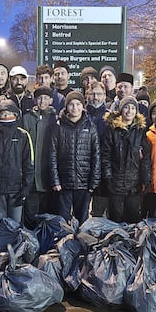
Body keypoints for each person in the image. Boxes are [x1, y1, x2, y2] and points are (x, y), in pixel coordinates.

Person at [0, 99, 34, 225]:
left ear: (16, 115)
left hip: (16, 190)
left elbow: (29, 165)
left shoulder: (23, 136)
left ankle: (15, 245)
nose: (6, 116)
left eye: (10, 113)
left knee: (15, 225)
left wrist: (25, 189)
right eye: (3, 114)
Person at [50, 91, 100, 222]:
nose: (75, 108)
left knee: (82, 220)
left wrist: (93, 182)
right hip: (64, 183)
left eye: (78, 104)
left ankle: (80, 242)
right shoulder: (58, 127)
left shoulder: (90, 127)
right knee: (62, 220)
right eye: (71, 104)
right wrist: (55, 181)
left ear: (83, 106)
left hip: (83, 183)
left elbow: (96, 156)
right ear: (66, 107)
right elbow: (52, 155)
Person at [101, 96, 151, 223]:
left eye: (133, 108)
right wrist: (108, 178)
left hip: (134, 184)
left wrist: (146, 179)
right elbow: (105, 156)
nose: (129, 111)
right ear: (121, 110)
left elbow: (145, 158)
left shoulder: (140, 131)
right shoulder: (111, 129)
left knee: (133, 220)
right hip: (115, 183)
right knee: (115, 220)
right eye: (126, 107)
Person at [22, 86, 57, 228]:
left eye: (46, 98)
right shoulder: (27, 118)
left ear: (51, 100)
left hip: (48, 176)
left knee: (48, 215)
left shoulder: (55, 118)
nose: (42, 101)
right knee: (30, 214)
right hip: (31, 176)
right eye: (39, 98)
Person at [86, 82, 110, 217]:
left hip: (102, 165)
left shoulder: (110, 117)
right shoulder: (81, 113)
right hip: (84, 164)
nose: (96, 97)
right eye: (93, 94)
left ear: (105, 96)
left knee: (99, 210)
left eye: (99, 94)